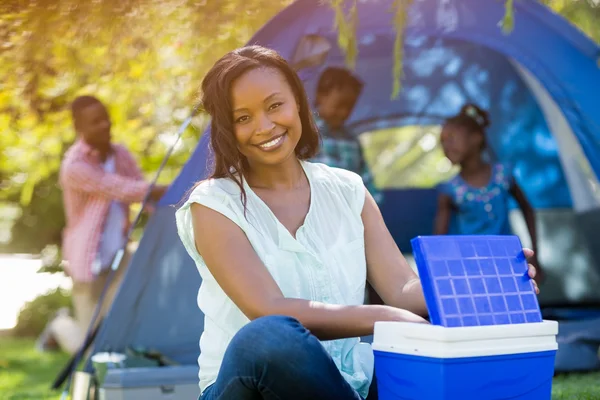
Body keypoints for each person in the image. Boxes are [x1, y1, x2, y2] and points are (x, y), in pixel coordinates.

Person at [175, 46, 540, 400]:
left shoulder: (348, 189)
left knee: (426, 348)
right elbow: (267, 308)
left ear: (298, 103)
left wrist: (480, 284)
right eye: (243, 117)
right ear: (227, 128)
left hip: (349, 383)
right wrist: (387, 317)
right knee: (267, 335)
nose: (265, 126)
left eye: (275, 106)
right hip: (249, 386)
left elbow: (403, 288)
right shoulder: (212, 204)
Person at [37, 95, 168, 354]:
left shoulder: (121, 155)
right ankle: (60, 325)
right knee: (88, 349)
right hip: (87, 261)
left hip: (119, 254)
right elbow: (120, 188)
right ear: (79, 128)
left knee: (119, 329)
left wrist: (166, 212)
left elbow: (140, 193)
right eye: (95, 122)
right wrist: (165, 190)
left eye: (105, 118)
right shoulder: (75, 165)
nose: (105, 125)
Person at [433, 103, 544, 282]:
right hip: (469, 270)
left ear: (476, 138)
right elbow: (439, 239)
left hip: (507, 264)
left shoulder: (503, 175)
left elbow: (527, 209)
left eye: (451, 138)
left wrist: (535, 256)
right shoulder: (449, 189)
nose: (446, 146)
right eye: (442, 141)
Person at [311, 66, 382, 204]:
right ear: (321, 96)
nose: (344, 112)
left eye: (350, 107)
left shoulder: (351, 140)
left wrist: (374, 204)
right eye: (339, 105)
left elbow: (365, 180)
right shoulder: (304, 133)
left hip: (348, 215)